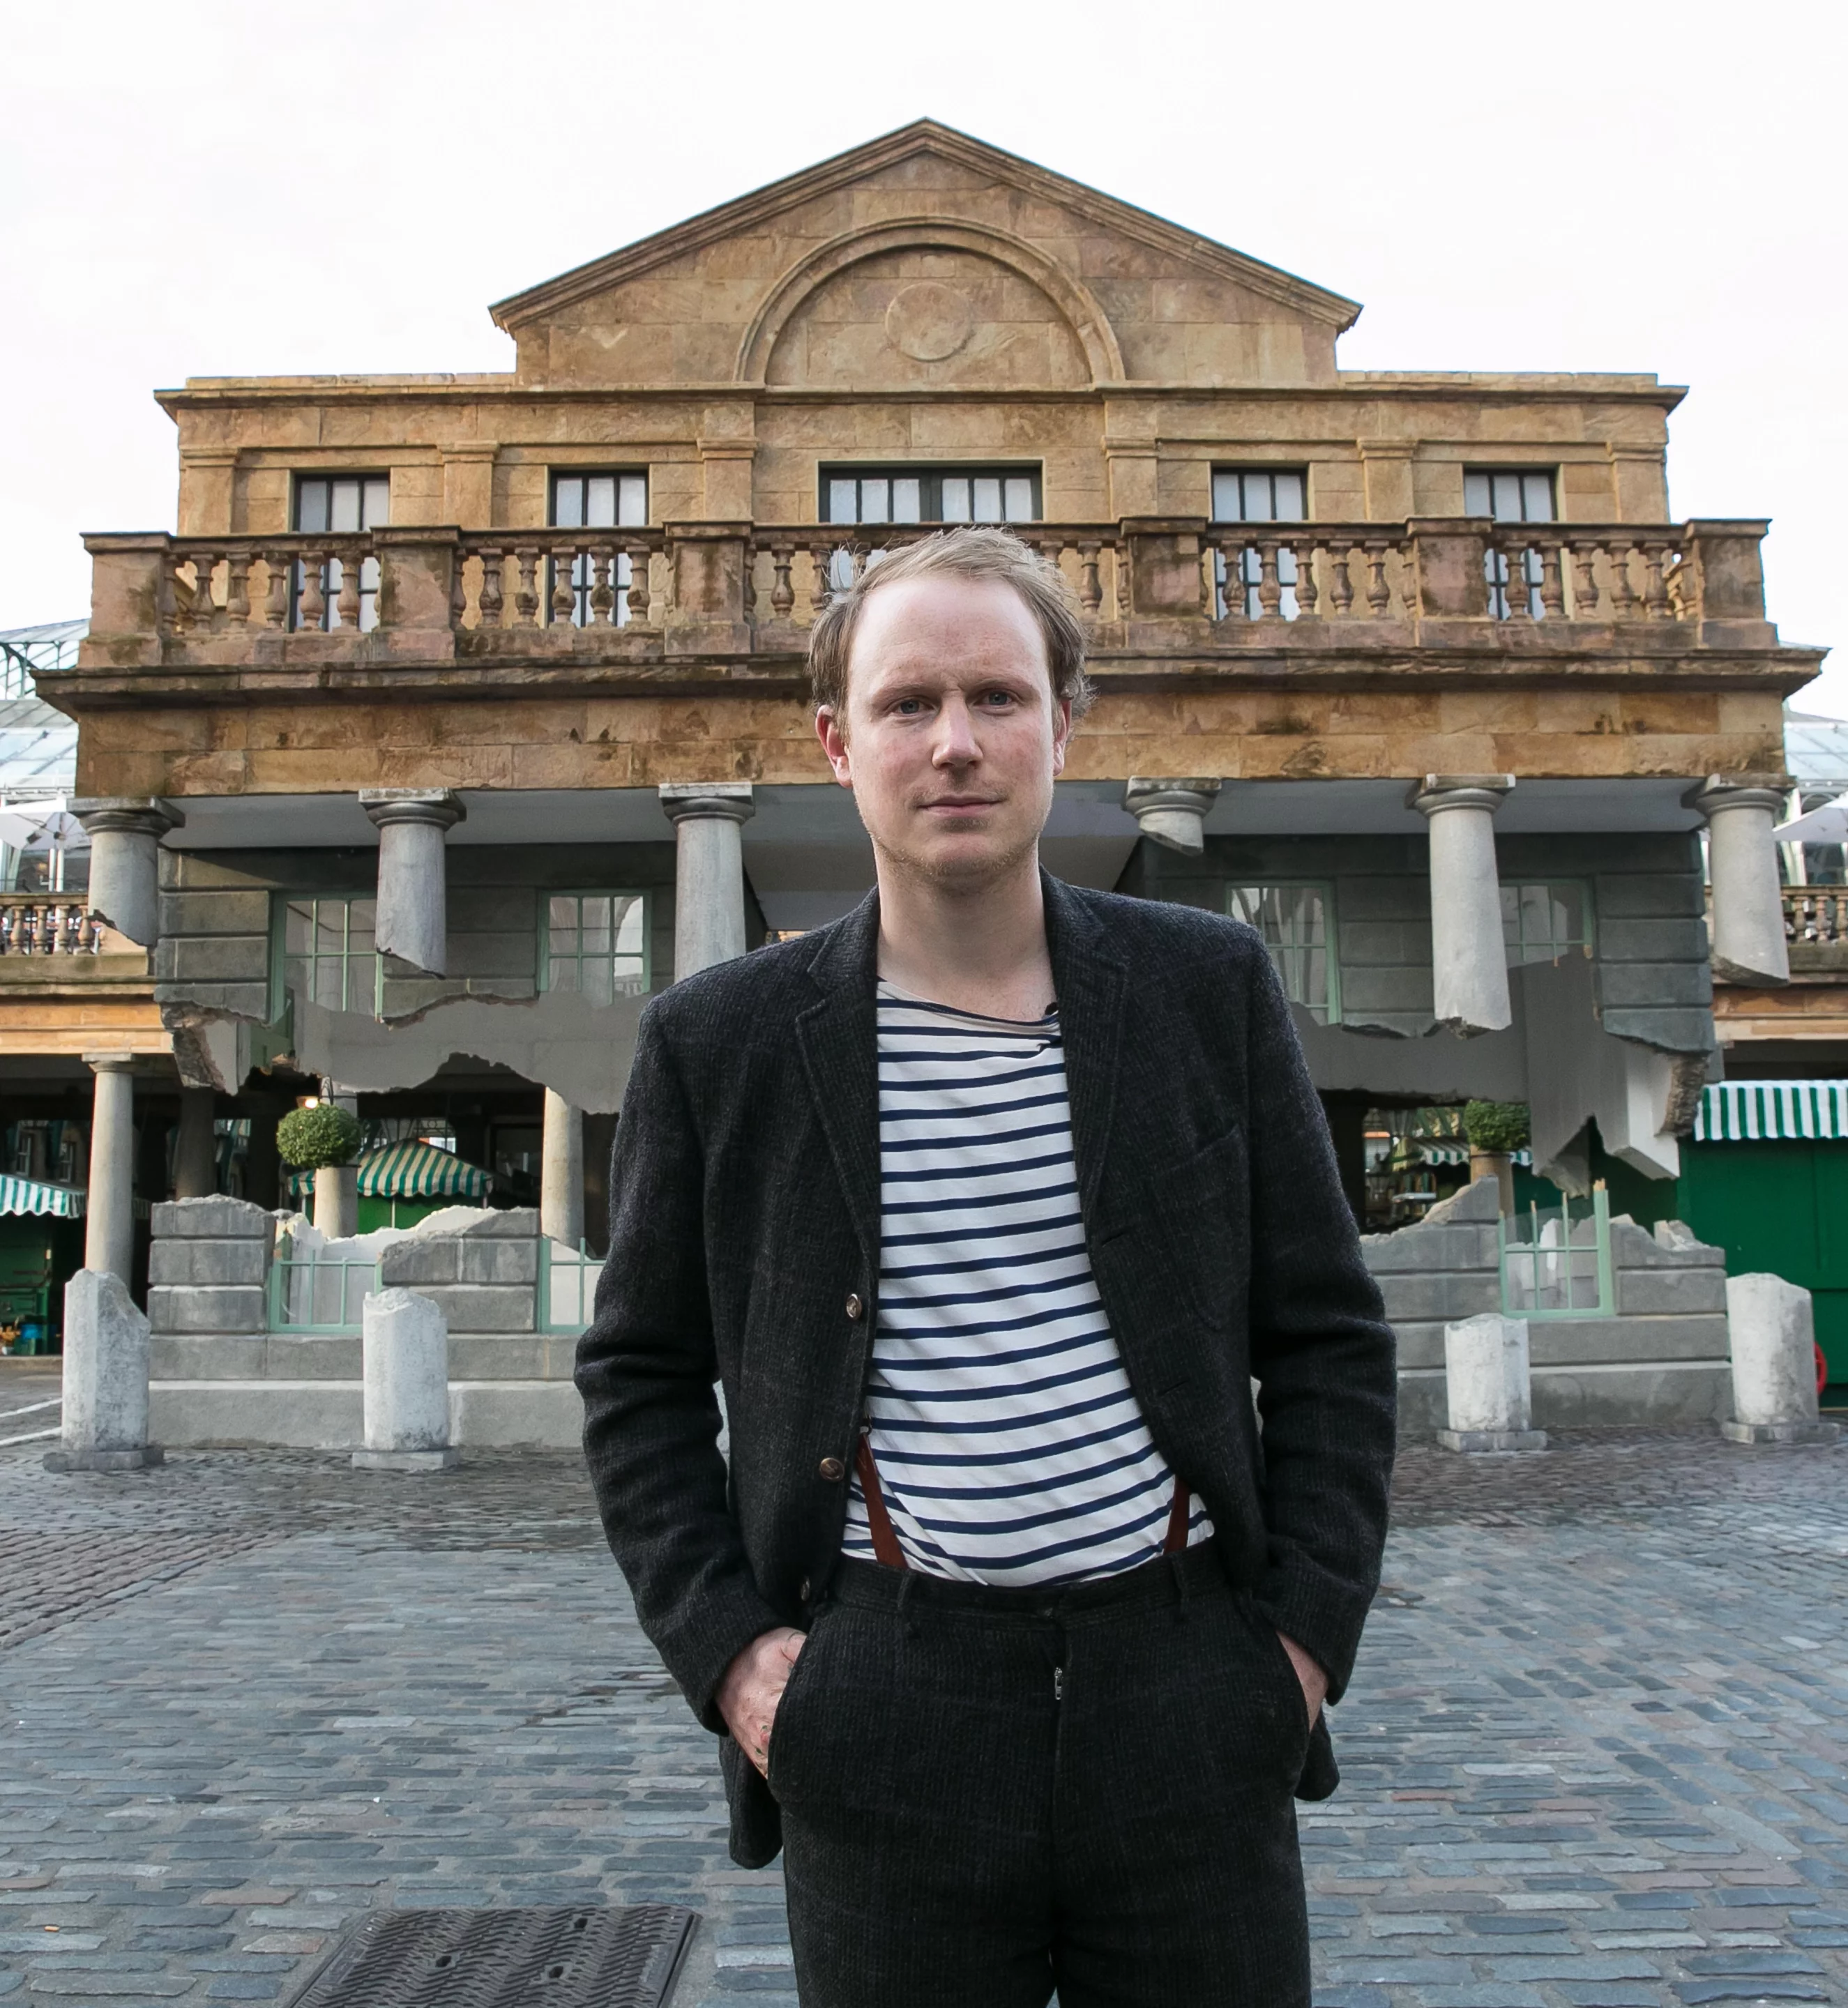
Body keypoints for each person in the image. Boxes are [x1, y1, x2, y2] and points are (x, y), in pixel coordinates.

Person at [575, 526, 1397, 2007]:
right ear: (837, 742)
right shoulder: (720, 1042)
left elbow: (1327, 1334)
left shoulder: (1204, 989)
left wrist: (1298, 1648)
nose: (953, 743)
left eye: (996, 697)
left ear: (1062, 723)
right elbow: (636, 1380)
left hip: (1187, 1688)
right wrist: (738, 1663)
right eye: (906, 705)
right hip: (886, 1700)